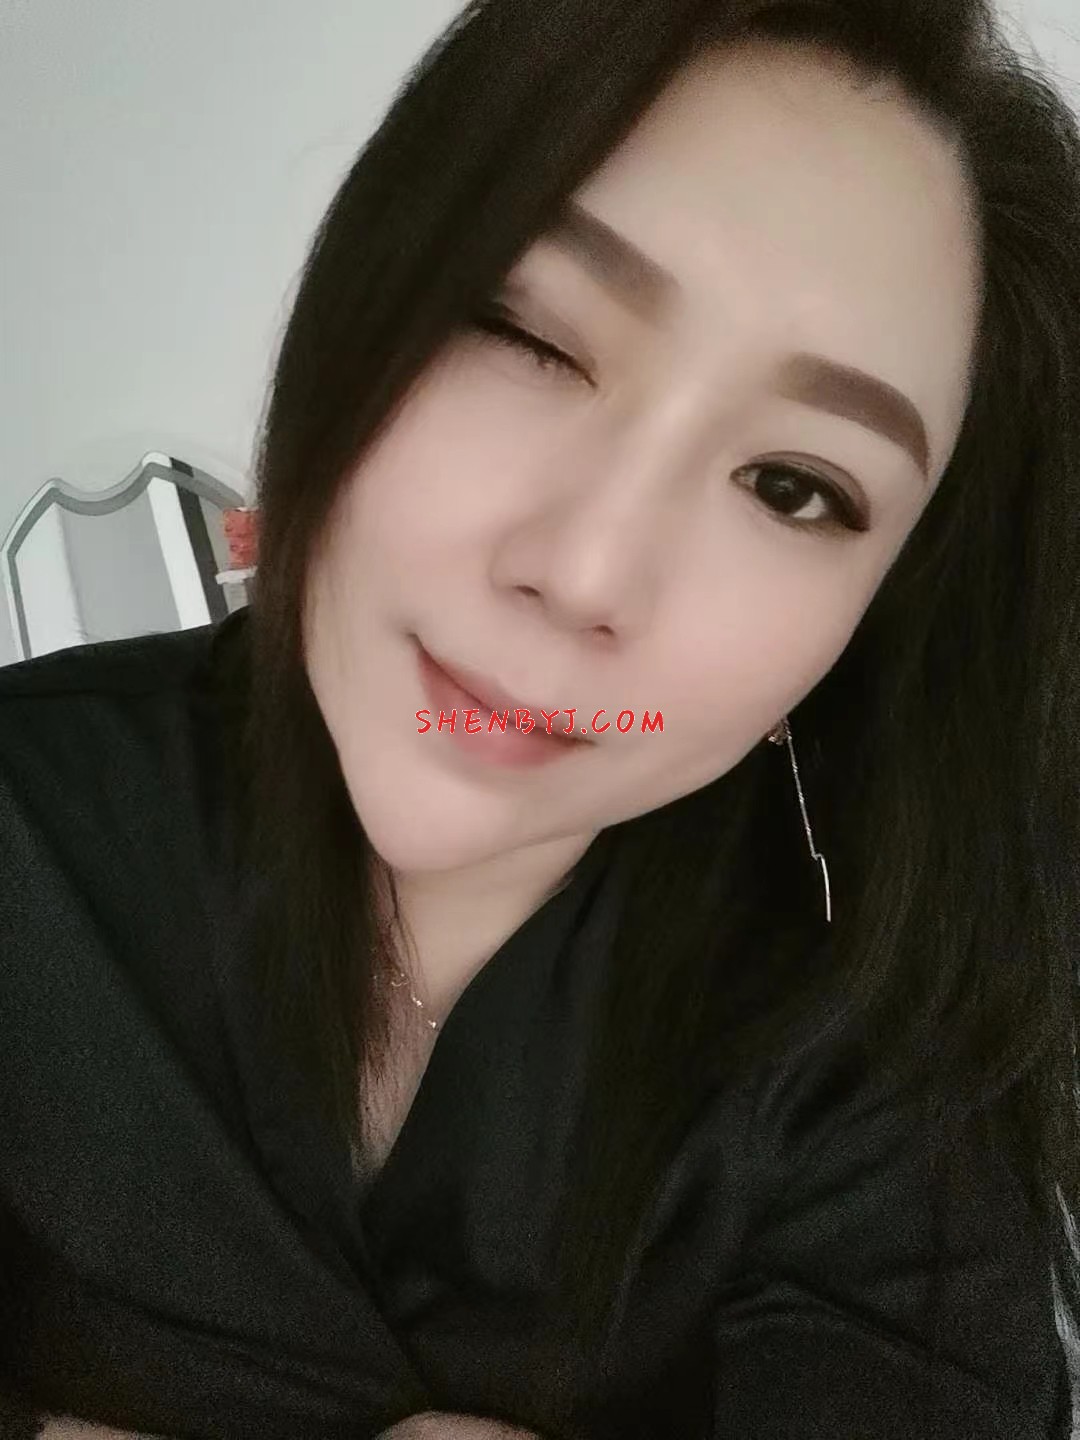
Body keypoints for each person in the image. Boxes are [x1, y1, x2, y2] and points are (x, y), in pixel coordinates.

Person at [2, 0, 1079, 1436]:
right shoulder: (28, 826)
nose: (585, 576)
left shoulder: (878, 1039)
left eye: (794, 487)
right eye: (528, 336)